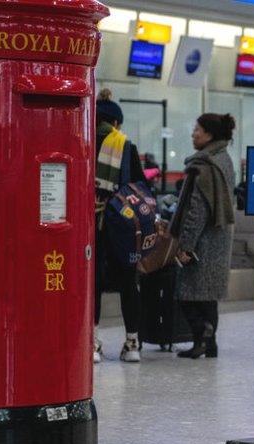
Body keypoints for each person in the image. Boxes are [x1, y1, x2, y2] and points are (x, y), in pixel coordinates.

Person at [171, 113, 237, 359]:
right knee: (208, 296)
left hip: (203, 240)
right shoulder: (224, 160)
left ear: (209, 135)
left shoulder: (204, 165)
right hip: (219, 238)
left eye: (197, 130)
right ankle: (210, 344)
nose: (193, 134)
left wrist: (186, 245)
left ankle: (202, 336)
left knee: (187, 294)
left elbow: (196, 210)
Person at [94, 89, 146, 364]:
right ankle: (132, 343)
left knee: (94, 284)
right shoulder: (126, 146)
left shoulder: (83, 140)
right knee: (129, 283)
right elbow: (138, 189)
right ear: (116, 123)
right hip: (122, 226)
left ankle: (93, 344)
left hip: (90, 225)